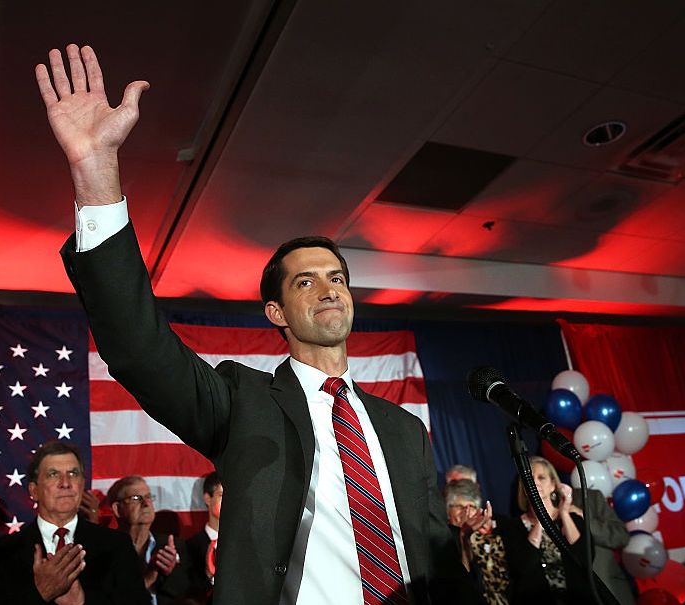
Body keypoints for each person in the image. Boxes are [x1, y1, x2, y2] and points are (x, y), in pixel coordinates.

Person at [39, 43, 473, 604]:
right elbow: (138, 350)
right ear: (276, 313)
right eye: (305, 281)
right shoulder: (244, 403)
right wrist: (95, 170)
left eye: (336, 277)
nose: (328, 288)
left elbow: (434, 557)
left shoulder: (404, 432)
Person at [0, 441, 150, 605]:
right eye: (53, 474)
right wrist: (40, 593)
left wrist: (81, 602)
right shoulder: (0, 554)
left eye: (73, 474)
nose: (65, 483)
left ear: (81, 485)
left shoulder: (117, 546)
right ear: (34, 491)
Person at [495, 457, 589, 605]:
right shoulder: (512, 527)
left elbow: (584, 557)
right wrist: (541, 519)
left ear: (553, 485)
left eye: (541, 477)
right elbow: (523, 567)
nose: (535, 482)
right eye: (530, 479)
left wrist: (563, 512)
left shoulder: (571, 518)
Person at [107, 476, 189, 604]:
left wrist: (169, 572)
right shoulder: (105, 551)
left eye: (148, 497)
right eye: (136, 498)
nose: (146, 503)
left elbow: (186, 593)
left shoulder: (172, 546)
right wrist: (148, 578)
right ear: (117, 509)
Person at [569, 488, 634, 605]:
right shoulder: (529, 513)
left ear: (552, 479)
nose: (537, 484)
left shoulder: (589, 497)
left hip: (609, 588)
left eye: (541, 477)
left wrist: (585, 522)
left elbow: (621, 537)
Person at [182, 473, 222, 603]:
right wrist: (210, 576)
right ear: (207, 499)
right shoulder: (189, 547)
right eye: (222, 495)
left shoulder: (244, 544)